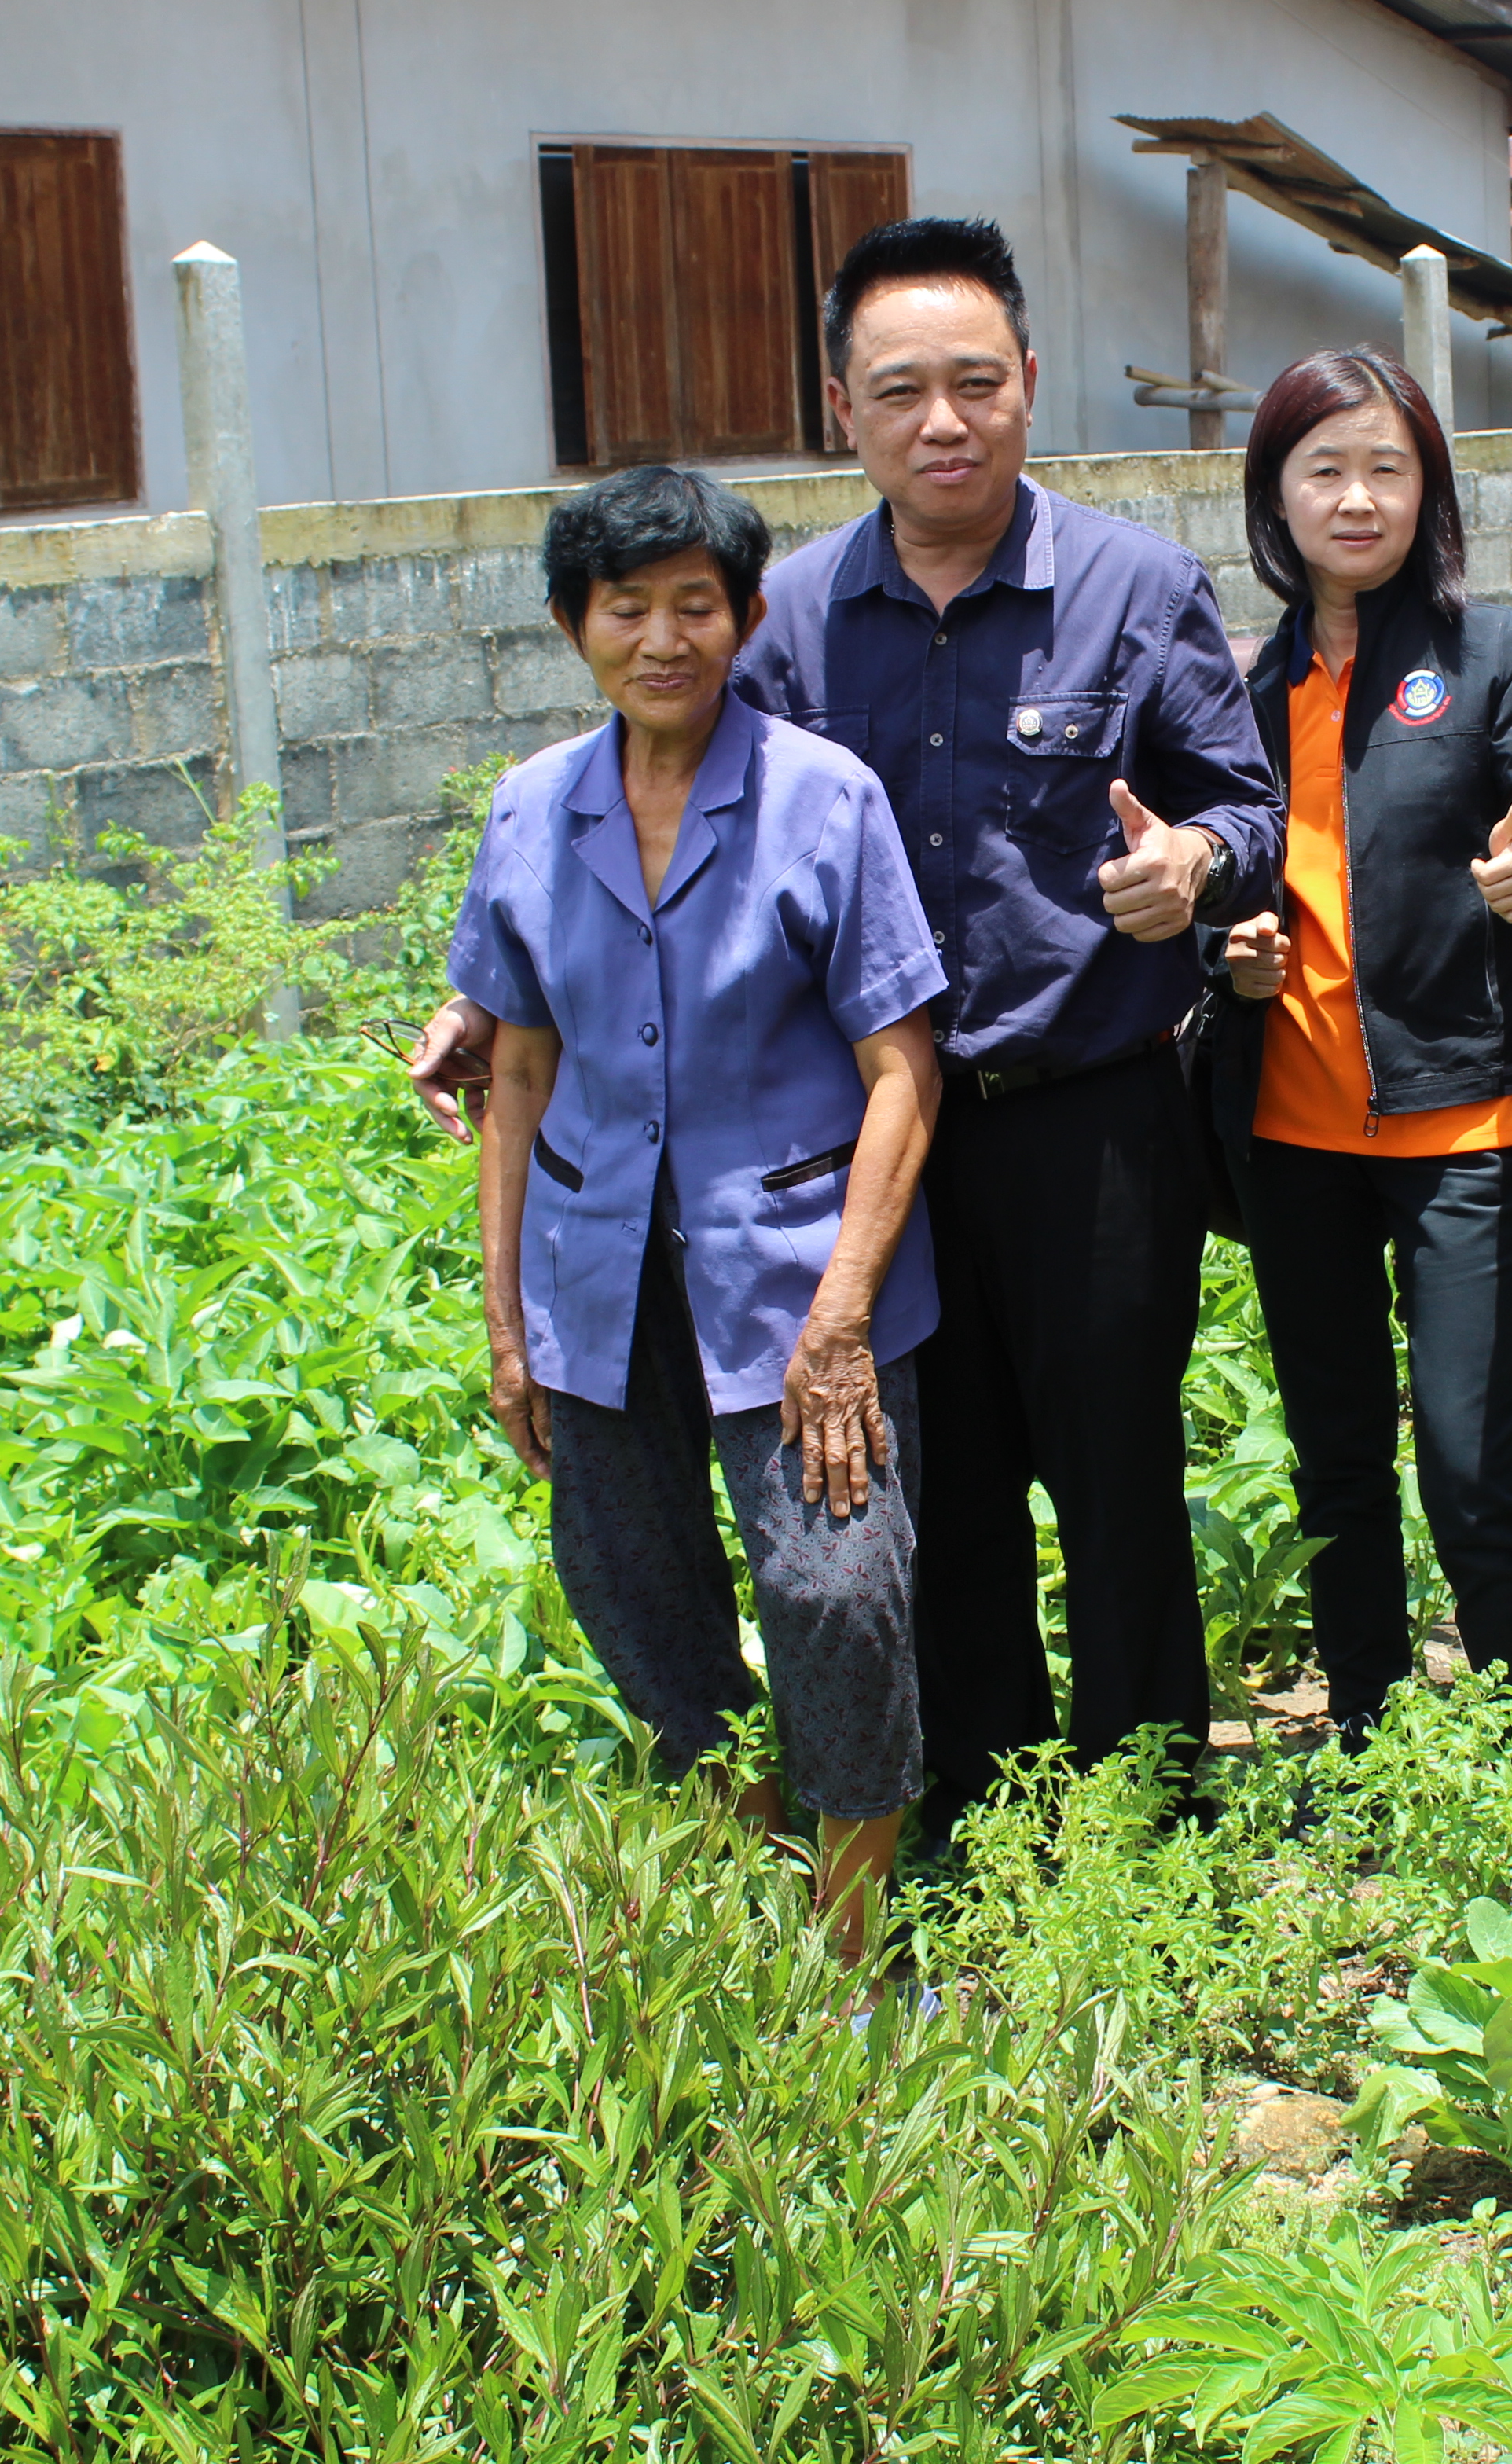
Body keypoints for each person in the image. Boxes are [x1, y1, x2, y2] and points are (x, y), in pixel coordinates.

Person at [417, 218, 1283, 1843]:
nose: (940, 422)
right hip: (867, 1150)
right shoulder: (786, 616)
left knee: (1115, 1483)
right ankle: (969, 1824)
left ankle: (1151, 1833)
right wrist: (495, 987)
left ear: (1028, 385)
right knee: (916, 1508)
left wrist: (1195, 861)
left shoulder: (1135, 588)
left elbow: (1247, 800)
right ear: (843, 409)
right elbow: (645, 784)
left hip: (1085, 1116)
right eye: (900, 392)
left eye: (974, 384)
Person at [457, 467, 947, 1963]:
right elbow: (517, 1065)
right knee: (629, 1597)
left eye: (694, 606)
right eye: (626, 609)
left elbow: (902, 1066)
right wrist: (506, 1319)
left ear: (741, 620)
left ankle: (858, 1953)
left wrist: (845, 1318)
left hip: (798, 1284)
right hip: (599, 1278)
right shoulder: (533, 809)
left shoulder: (822, 797)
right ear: (572, 625)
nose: (661, 639)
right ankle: (770, 1865)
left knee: (838, 1600)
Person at [1202, 347, 1512, 1735]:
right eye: (1326, 468)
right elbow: (1226, 874)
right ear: (1276, 494)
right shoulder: (1242, 683)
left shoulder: (1499, 654)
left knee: (1470, 1449)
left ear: (1427, 486)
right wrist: (1225, 951)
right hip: (1291, 1127)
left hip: (1461, 1116)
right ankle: (1371, 1732)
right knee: (1336, 1455)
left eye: (1388, 466)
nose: (1357, 497)